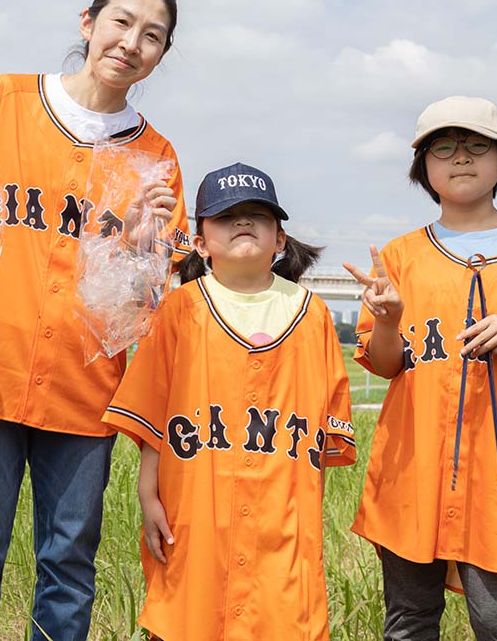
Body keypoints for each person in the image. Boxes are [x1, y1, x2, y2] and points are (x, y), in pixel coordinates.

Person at [0, 0, 190, 640]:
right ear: (88, 22)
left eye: (153, 35)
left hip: (84, 391)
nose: (132, 42)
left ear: (161, 54)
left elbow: (149, 302)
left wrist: (143, 243)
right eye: (122, 22)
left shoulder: (157, 158)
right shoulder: (9, 101)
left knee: (69, 564)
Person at [343, 96, 497, 641]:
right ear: (423, 168)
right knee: (408, 621)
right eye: (443, 147)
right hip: (413, 470)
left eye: (476, 145)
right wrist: (387, 320)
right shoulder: (401, 256)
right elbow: (385, 363)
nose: (460, 158)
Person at [102, 162, 357, 641]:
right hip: (197, 510)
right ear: (199, 243)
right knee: (191, 616)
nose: (243, 221)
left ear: (280, 240)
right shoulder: (180, 309)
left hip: (282, 518)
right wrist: (147, 493)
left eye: (258, 214)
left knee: (282, 618)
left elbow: (324, 444)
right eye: (226, 215)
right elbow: (153, 414)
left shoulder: (314, 315)